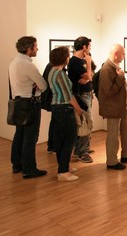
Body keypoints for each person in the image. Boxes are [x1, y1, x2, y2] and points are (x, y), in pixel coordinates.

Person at [8, 36, 48, 179]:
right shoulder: (28, 65)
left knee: (19, 134)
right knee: (30, 137)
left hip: (19, 102)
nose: (37, 48)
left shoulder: (14, 62)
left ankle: (17, 164)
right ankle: (29, 169)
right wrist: (37, 84)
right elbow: (43, 86)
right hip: (30, 104)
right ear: (29, 48)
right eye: (36, 46)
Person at [98, 44, 127, 170]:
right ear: (116, 53)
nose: (124, 57)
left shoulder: (114, 67)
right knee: (112, 135)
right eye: (122, 54)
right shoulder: (107, 69)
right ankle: (111, 161)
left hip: (121, 107)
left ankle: (126, 154)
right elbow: (108, 91)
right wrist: (120, 77)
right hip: (112, 108)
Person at [48, 46, 83, 182]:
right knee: (70, 139)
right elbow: (68, 95)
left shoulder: (51, 71)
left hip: (57, 108)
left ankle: (64, 166)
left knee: (60, 139)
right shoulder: (60, 74)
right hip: (64, 108)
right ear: (64, 58)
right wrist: (79, 110)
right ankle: (63, 172)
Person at [67, 36, 94, 163]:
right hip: (81, 95)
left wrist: (88, 76)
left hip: (86, 93)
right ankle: (83, 152)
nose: (90, 49)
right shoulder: (75, 61)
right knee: (85, 123)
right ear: (84, 47)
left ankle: (81, 149)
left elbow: (91, 75)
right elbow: (89, 75)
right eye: (89, 46)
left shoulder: (81, 60)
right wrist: (88, 65)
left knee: (85, 122)